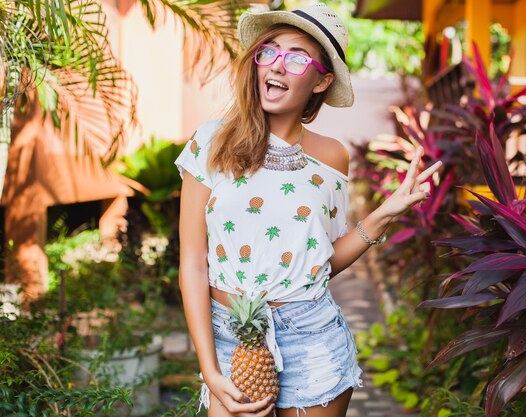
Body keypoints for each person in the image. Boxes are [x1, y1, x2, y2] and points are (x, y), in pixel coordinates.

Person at [175, 3, 441, 417]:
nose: (277, 66)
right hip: (232, 337)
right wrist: (209, 370)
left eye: (296, 58)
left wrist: (386, 212)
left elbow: (322, 262)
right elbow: (193, 263)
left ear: (322, 81)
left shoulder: (332, 158)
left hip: (312, 337)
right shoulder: (211, 143)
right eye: (270, 52)